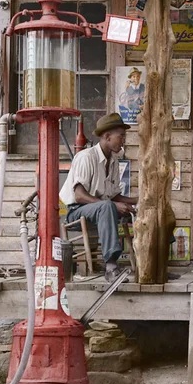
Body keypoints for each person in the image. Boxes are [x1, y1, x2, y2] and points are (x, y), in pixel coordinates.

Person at [59, 112, 138, 284]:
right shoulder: (86, 157)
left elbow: (114, 195)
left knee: (145, 207)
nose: (123, 140)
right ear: (107, 137)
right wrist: (113, 205)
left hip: (101, 210)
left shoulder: (114, 160)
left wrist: (138, 201)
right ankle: (111, 266)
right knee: (107, 206)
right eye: (121, 136)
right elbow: (79, 196)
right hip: (76, 211)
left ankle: (156, 262)